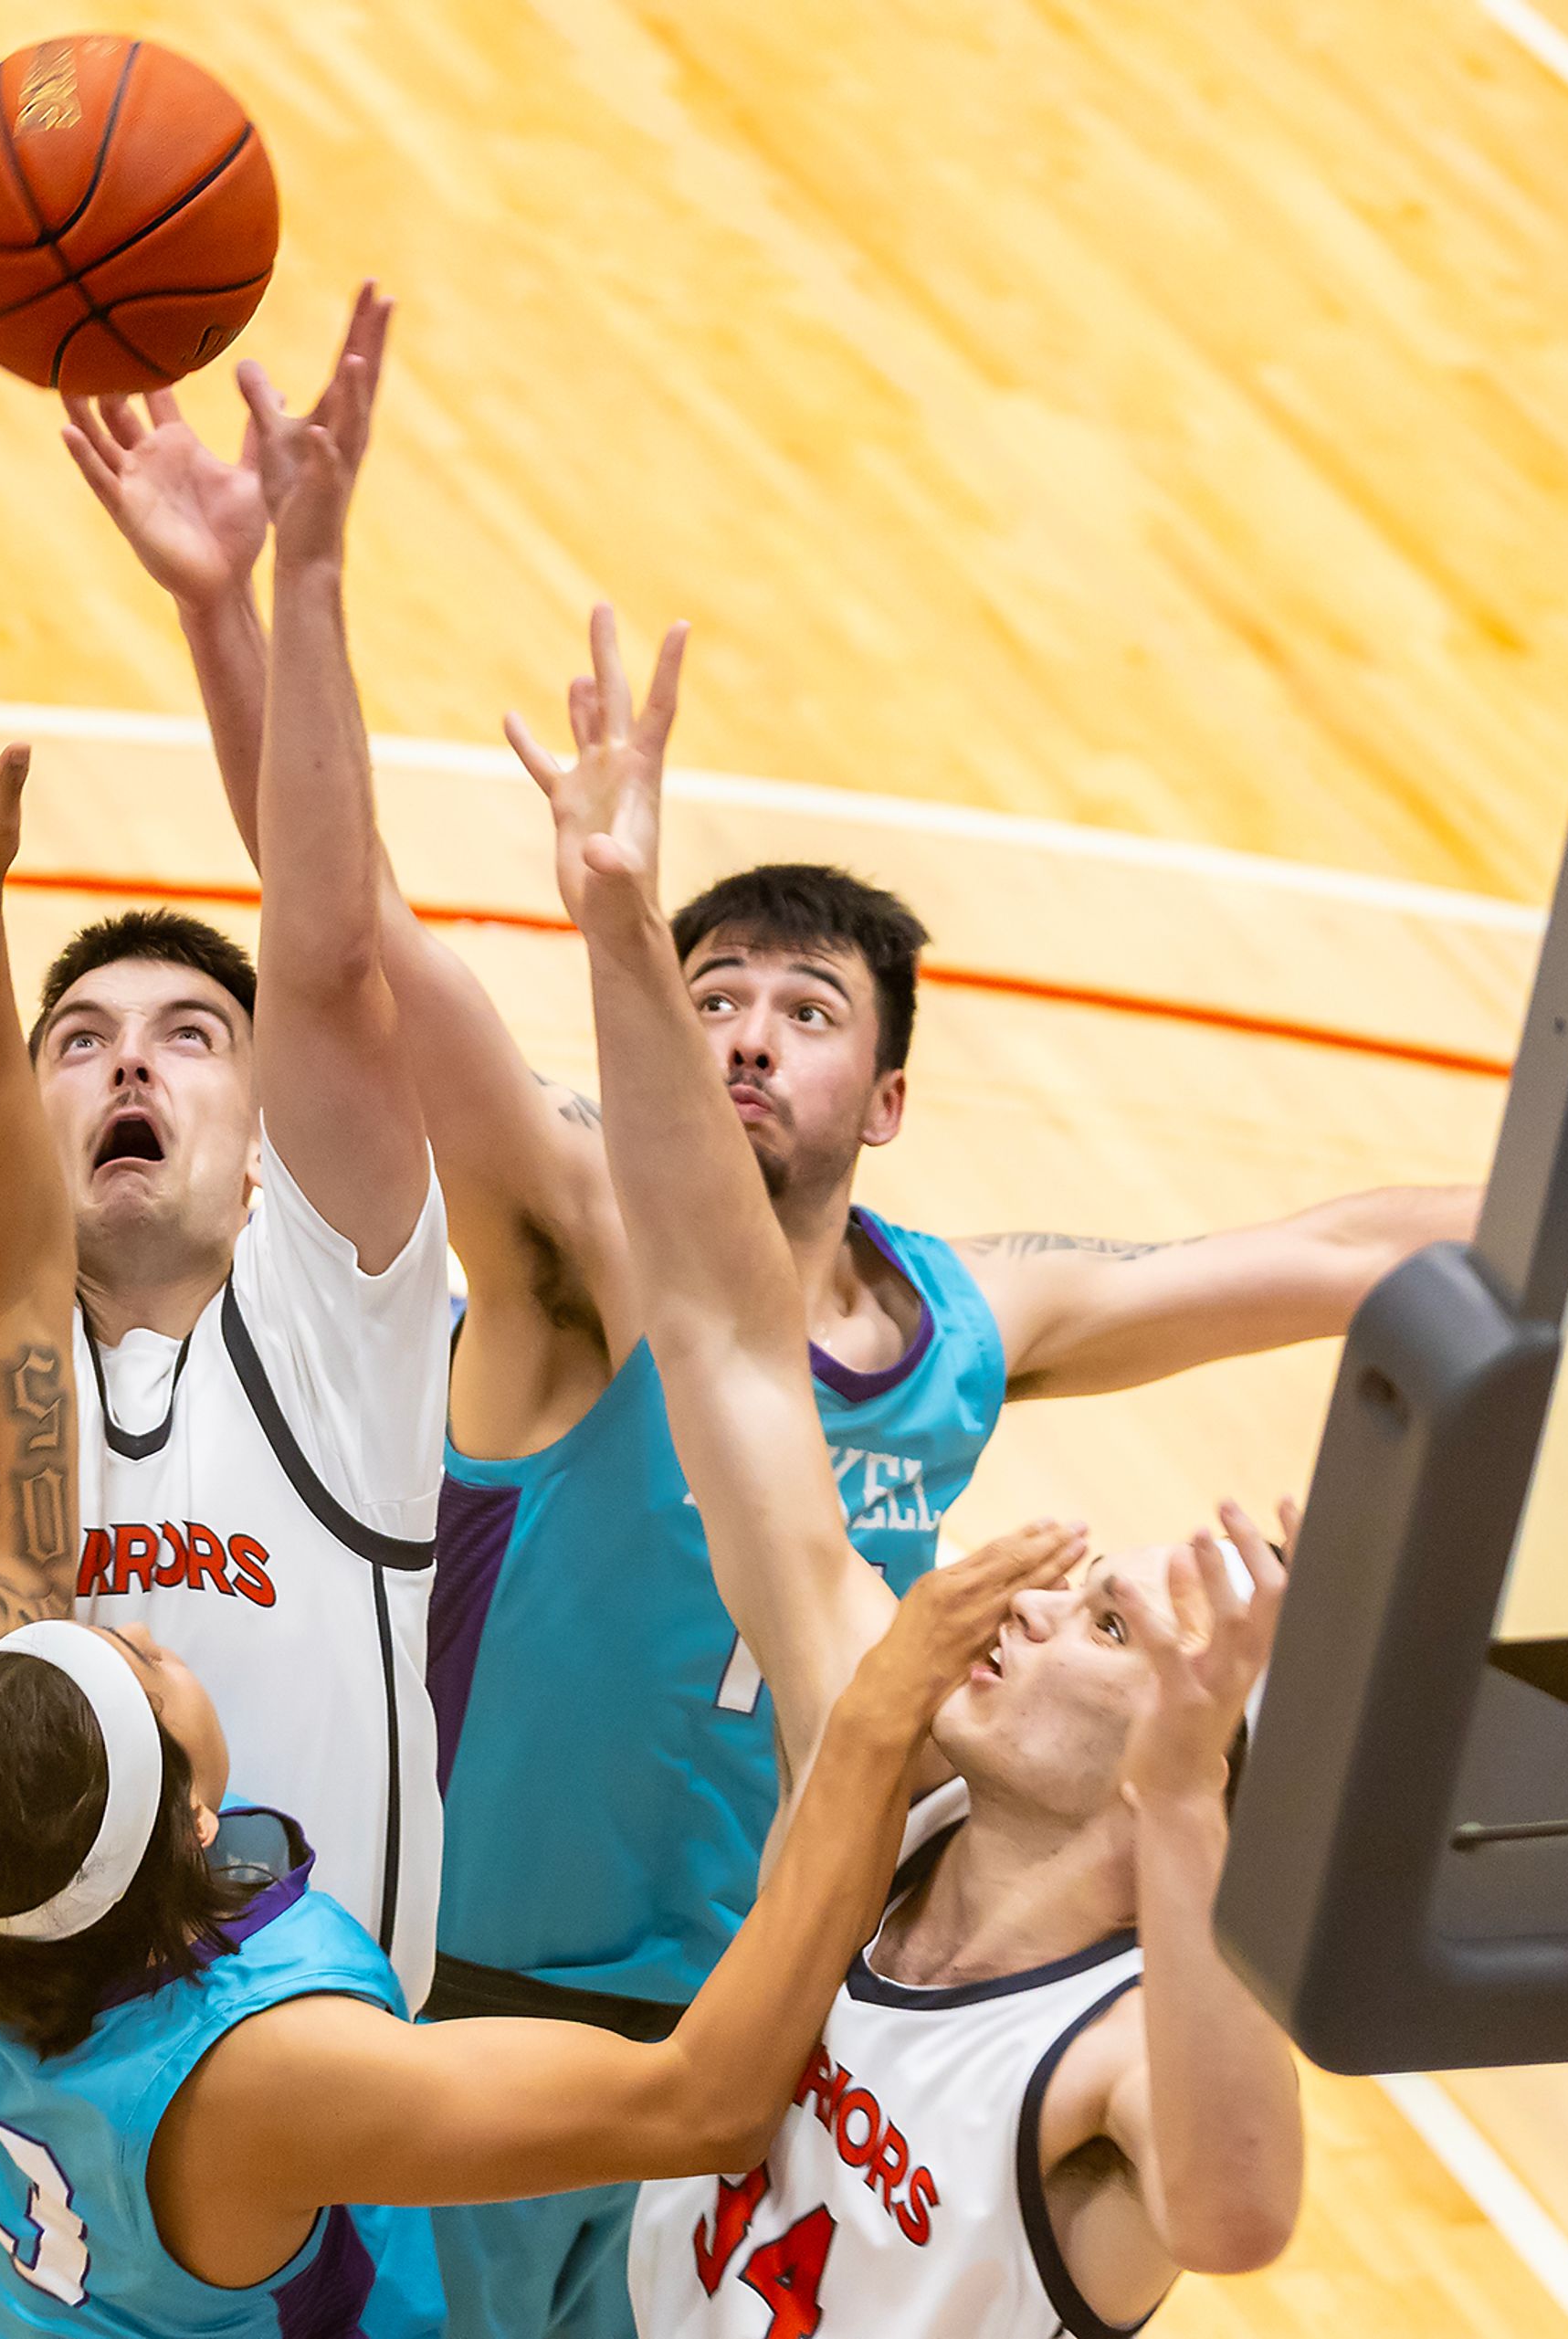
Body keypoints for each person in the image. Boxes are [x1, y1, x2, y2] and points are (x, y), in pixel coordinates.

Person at [60, 349, 1568, 2335]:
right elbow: (359, 949)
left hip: (776, 1980)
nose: (746, 1037)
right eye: (713, 997)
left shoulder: (971, 1320)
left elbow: (1350, 1246)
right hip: (480, 1976)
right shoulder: (602, 1238)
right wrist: (235, 618)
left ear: (885, 1099)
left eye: (802, 1008)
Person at [0, 651, 1089, 2335]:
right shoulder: (265, 2060)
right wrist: (876, 1716)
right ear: (190, 1818)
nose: (127, 1634)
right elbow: (701, 2102)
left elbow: (5, 1280)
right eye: (137, 1671)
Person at [0, 269, 456, 2338]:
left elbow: (333, 961)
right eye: (76, 1038)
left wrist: (281, 582)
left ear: (265, 1132)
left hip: (278, 2158)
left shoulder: (345, 1324)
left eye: (185, 1036)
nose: (134, 1062)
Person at [515, 661, 1305, 2332]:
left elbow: (1238, 2218)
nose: (1022, 1602)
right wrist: (611, 920)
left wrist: (1186, 1812)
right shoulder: (870, 1791)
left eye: (1102, 1619)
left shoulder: (1115, 2049)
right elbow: (731, 1340)